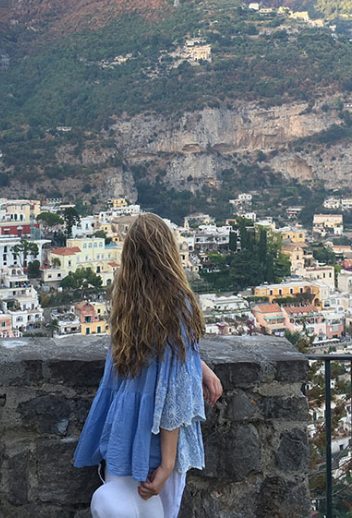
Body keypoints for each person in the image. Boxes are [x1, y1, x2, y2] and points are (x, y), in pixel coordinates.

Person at [73, 213, 223, 518]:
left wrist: (200, 366)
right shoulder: (179, 304)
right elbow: (174, 396)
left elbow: (163, 357)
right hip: (156, 441)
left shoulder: (125, 302)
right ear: (168, 252)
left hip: (122, 433)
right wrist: (167, 465)